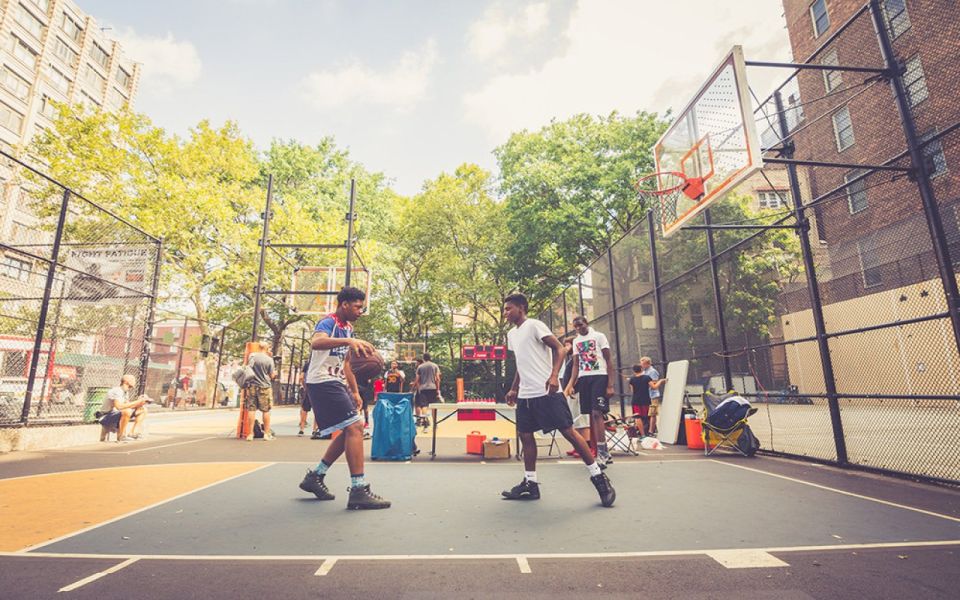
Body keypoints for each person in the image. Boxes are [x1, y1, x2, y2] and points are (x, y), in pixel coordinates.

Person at [501, 293, 615, 508]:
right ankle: (531, 484)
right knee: (525, 436)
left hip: (547, 391)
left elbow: (560, 348)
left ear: (521, 308)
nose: (505, 313)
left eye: (509, 308)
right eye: (504, 309)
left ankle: (599, 478)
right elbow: (521, 363)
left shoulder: (534, 325)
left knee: (569, 433)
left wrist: (554, 376)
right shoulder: (512, 334)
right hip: (526, 394)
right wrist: (514, 388)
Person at [298, 286, 391, 510]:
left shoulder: (348, 328)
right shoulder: (327, 322)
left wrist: (355, 391)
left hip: (336, 381)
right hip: (321, 381)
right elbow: (316, 343)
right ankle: (358, 490)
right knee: (356, 427)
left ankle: (315, 476)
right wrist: (349, 342)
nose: (360, 311)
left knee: (350, 429)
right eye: (357, 307)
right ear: (344, 304)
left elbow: (347, 363)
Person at [563, 316, 616, 466]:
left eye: (580, 325)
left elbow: (608, 360)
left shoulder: (599, 336)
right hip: (584, 379)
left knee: (597, 413)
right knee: (591, 415)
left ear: (586, 323)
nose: (578, 328)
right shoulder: (577, 341)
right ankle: (604, 452)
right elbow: (575, 365)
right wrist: (571, 384)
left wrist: (610, 384)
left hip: (599, 377)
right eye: (575, 327)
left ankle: (602, 453)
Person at [561, 337, 590, 458]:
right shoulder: (571, 359)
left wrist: (572, 386)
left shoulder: (578, 358)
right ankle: (578, 446)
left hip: (577, 392)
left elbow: (577, 373)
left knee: (582, 421)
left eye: (568, 344)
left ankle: (587, 447)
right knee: (575, 421)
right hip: (571, 393)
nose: (566, 347)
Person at [100, 374, 149, 442]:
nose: (135, 381)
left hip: (116, 414)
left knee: (142, 410)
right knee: (127, 411)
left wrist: (139, 403)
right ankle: (122, 436)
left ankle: (132, 433)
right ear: (126, 381)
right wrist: (137, 402)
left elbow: (127, 405)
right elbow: (119, 406)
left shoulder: (125, 392)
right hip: (106, 416)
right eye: (132, 379)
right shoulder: (117, 391)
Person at [244, 341, 276, 441]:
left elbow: (247, 368)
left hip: (252, 386)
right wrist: (275, 374)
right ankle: (266, 434)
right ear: (267, 348)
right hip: (264, 386)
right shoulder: (269, 360)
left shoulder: (252, 357)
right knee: (266, 410)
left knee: (251, 409)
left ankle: (250, 434)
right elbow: (272, 375)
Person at [626, 364, 667, 435]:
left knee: (637, 417)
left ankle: (642, 434)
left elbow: (632, 391)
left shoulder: (631, 379)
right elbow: (654, 387)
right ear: (641, 369)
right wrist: (660, 381)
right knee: (649, 415)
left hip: (635, 400)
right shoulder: (646, 378)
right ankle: (650, 431)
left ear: (634, 371)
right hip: (645, 400)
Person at [413, 353, 440, 429]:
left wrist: (418, 388)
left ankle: (425, 423)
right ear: (430, 358)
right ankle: (435, 423)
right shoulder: (435, 366)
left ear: (423, 358)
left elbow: (417, 379)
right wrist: (438, 389)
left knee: (424, 406)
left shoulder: (420, 367)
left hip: (423, 389)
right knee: (434, 406)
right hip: (433, 388)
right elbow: (438, 379)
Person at [640, 356, 663, 435]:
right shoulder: (644, 372)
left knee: (653, 413)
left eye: (643, 364)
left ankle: (651, 431)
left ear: (648, 364)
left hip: (653, 395)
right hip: (646, 396)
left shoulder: (652, 372)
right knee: (647, 413)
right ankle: (649, 429)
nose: (641, 366)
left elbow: (654, 383)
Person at [298, 359, 318, 437]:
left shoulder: (308, 364)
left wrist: (305, 386)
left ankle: (301, 429)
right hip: (319, 388)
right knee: (317, 410)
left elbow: (301, 377)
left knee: (304, 409)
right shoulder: (320, 362)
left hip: (309, 388)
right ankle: (315, 429)